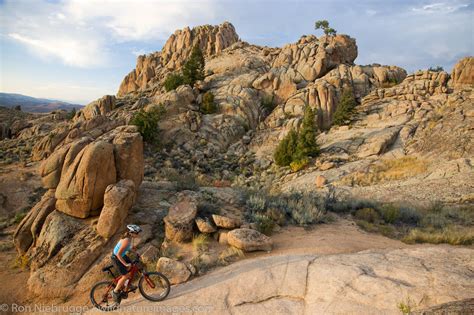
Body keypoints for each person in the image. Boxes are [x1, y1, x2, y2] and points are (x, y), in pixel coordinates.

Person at [111, 224, 142, 303]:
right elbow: (118, 254)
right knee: (125, 275)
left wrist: (135, 252)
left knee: (131, 267)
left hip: (122, 256)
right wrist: (125, 264)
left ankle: (125, 284)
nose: (138, 234)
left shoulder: (129, 239)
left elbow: (128, 248)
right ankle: (115, 291)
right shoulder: (126, 240)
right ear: (132, 232)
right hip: (116, 258)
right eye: (137, 233)